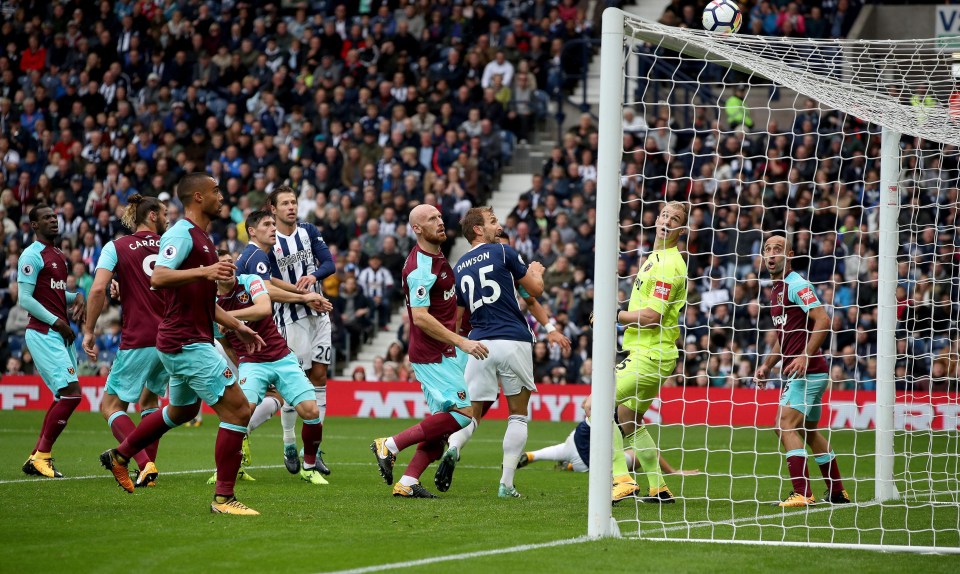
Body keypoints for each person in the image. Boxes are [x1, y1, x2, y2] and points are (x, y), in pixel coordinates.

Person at [99, 172, 265, 515]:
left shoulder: (203, 237)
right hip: (185, 342)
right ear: (198, 197)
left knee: (183, 410)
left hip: (189, 338)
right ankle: (224, 498)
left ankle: (120, 454)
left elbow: (203, 299)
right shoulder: (180, 233)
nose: (222, 197)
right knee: (238, 410)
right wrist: (206, 272)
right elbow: (159, 276)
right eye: (216, 191)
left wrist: (238, 325)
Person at [370, 204, 489, 498]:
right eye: (431, 219)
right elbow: (420, 317)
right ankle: (390, 444)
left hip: (446, 349)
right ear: (417, 229)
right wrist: (461, 342)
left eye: (439, 216)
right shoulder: (419, 268)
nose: (439, 221)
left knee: (441, 427)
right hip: (434, 354)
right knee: (464, 414)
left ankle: (408, 482)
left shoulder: (437, 256)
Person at [434, 206, 547, 498]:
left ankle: (454, 448)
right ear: (477, 230)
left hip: (478, 344)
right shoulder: (504, 252)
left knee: (472, 413)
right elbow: (534, 290)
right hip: (512, 340)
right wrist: (536, 272)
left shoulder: (458, 267)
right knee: (518, 415)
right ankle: (506, 484)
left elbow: (457, 319)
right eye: (493, 222)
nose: (500, 226)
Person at [214, 249, 333, 485]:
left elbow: (264, 309)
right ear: (213, 271)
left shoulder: (251, 281)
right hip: (251, 363)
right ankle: (225, 469)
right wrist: (241, 364)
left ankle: (309, 467)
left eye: (230, 262)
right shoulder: (210, 301)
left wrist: (226, 317)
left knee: (311, 412)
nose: (228, 267)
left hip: (281, 357)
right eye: (222, 264)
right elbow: (227, 346)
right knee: (240, 416)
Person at [755, 234, 850, 507]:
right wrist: (766, 365)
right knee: (808, 430)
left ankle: (803, 493)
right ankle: (836, 491)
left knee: (783, 425)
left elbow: (823, 320)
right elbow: (783, 336)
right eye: (767, 250)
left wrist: (805, 356)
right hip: (807, 372)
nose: (771, 254)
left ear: (790, 254)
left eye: (777, 249)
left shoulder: (797, 284)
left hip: (808, 371)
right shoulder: (776, 289)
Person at [235, 209, 332, 476]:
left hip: (258, 341)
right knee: (267, 402)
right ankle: (282, 443)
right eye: (267, 223)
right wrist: (303, 298)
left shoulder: (259, 254)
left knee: (290, 396)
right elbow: (265, 297)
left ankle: (307, 456)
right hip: (268, 339)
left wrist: (305, 292)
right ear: (253, 230)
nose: (272, 228)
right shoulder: (257, 257)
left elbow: (327, 264)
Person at [82, 195, 168, 488]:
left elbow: (96, 291)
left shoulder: (115, 246)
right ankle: (149, 475)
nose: (168, 218)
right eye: (165, 213)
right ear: (153, 215)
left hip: (139, 337)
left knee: (109, 405)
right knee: (149, 401)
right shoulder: (171, 247)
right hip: (169, 338)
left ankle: (144, 463)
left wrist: (89, 330)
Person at [611, 201, 689, 504]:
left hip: (649, 353)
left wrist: (614, 315)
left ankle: (622, 479)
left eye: (676, 219)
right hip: (655, 353)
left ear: (681, 229)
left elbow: (652, 316)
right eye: (665, 215)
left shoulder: (669, 264)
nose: (668, 221)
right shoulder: (655, 257)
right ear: (657, 219)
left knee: (595, 406)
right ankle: (658, 487)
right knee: (627, 418)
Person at [268, 186, 336, 475]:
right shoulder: (269, 241)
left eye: (293, 202)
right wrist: (299, 292)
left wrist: (313, 276)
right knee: (294, 385)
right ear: (273, 209)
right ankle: (288, 443)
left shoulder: (308, 231)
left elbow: (329, 263)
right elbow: (268, 281)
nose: (291, 207)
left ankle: (316, 449)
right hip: (290, 318)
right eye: (284, 203)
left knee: (319, 376)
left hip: (319, 313)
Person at [18, 204, 86, 479]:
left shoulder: (57, 255)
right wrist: (57, 321)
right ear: (34, 225)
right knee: (72, 393)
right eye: (46, 218)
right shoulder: (31, 255)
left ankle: (36, 457)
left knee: (64, 395)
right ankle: (42, 455)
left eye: (55, 217)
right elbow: (25, 299)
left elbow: (56, 295)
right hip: (44, 333)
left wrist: (77, 295)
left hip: (59, 334)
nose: (53, 221)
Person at [518, 396, 699, 476]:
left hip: (575, 438)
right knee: (639, 456)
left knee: (563, 449)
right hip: (592, 463)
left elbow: (586, 405)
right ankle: (572, 466)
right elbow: (652, 453)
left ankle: (534, 455)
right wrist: (673, 471)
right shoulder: (630, 414)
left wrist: (590, 407)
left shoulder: (608, 396)